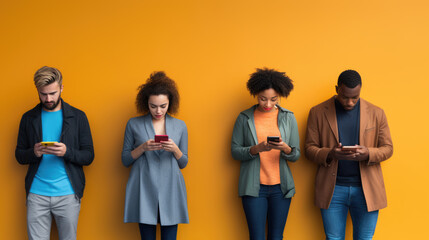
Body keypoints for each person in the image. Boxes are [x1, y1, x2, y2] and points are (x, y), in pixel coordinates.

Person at [305, 70, 393, 240]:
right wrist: (330, 153)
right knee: (333, 238)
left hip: (367, 189)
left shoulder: (377, 113)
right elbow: (309, 149)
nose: (350, 102)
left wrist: (368, 153)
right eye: (345, 97)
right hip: (333, 189)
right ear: (337, 89)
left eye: (355, 97)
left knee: (365, 238)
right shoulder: (317, 112)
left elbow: (388, 148)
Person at [15, 66, 94, 240]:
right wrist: (33, 152)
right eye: (43, 94)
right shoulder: (28, 118)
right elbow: (19, 155)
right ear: (37, 91)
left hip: (68, 193)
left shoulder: (78, 117)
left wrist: (67, 152)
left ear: (61, 88)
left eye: (53, 93)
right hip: (36, 194)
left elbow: (89, 156)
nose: (48, 98)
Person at [231, 68, 300, 240]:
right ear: (256, 95)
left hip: (281, 188)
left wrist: (285, 148)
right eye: (263, 99)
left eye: (273, 99)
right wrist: (256, 149)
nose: (268, 104)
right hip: (254, 188)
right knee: (256, 237)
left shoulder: (288, 117)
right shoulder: (244, 118)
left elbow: (296, 154)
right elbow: (235, 151)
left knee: (277, 237)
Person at [122, 71, 189, 240]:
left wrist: (175, 149)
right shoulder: (133, 123)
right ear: (146, 103)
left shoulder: (180, 126)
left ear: (170, 103)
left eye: (163, 106)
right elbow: (125, 160)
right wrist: (143, 147)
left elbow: (184, 162)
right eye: (153, 106)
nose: (158, 111)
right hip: (143, 187)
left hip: (171, 188)